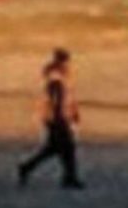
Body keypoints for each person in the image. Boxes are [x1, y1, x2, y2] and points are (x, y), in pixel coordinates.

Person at [17, 47, 84, 190]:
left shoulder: (61, 76)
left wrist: (73, 112)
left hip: (57, 118)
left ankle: (27, 167)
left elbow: (68, 97)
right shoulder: (56, 78)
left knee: (54, 149)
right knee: (67, 147)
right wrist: (63, 117)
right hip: (57, 119)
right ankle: (69, 177)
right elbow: (57, 100)